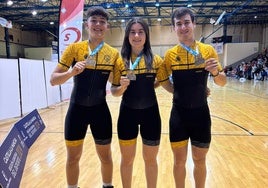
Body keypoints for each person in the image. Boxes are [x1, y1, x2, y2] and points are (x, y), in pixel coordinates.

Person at [50, 6, 119, 188]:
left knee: (106, 156)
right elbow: (53, 80)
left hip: (100, 112)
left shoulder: (113, 54)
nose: (98, 24)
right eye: (94, 21)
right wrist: (72, 72)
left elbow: (115, 83)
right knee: (73, 158)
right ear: (86, 24)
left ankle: (107, 185)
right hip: (76, 111)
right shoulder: (74, 49)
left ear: (107, 26)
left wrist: (125, 82)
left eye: (102, 22)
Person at [160, 7, 227, 188]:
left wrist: (214, 72)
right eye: (179, 24)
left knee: (199, 159)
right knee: (179, 161)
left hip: (201, 115)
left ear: (194, 24)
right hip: (178, 116)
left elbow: (222, 82)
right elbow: (164, 81)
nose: (183, 27)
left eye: (186, 22)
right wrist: (179, 92)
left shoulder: (208, 50)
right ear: (174, 28)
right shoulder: (170, 55)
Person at [110, 17, 173, 188]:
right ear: (127, 36)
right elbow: (114, 92)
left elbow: (165, 83)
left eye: (140, 32)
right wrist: (121, 88)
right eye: (132, 32)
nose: (136, 36)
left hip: (150, 115)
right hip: (127, 115)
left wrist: (190, 91)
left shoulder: (156, 61)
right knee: (127, 160)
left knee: (151, 160)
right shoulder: (119, 61)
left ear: (146, 35)